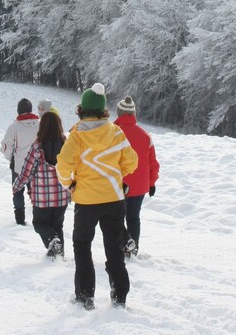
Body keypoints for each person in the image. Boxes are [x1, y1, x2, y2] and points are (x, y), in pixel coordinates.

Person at [56, 83, 138, 310]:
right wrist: (116, 175)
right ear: (103, 109)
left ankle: (85, 295)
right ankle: (119, 296)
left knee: (82, 246)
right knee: (114, 248)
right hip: (113, 198)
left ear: (82, 108)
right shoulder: (116, 132)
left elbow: (63, 164)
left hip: (86, 200)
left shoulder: (77, 134)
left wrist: (69, 184)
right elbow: (132, 162)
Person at [12, 112, 71, 259]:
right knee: (58, 226)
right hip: (62, 196)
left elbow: (27, 171)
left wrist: (16, 186)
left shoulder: (37, 148)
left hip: (42, 199)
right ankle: (59, 256)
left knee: (39, 224)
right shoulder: (66, 146)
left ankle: (52, 241)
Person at [114, 96, 160, 258]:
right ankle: (133, 248)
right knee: (134, 218)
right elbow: (153, 163)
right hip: (140, 186)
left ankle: (124, 244)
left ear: (118, 113)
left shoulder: (113, 133)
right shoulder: (145, 136)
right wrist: (152, 183)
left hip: (117, 185)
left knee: (115, 218)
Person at [1, 98, 40, 225]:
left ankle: (20, 218)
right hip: (36, 164)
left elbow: (7, 146)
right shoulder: (40, 124)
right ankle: (38, 216)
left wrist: (10, 158)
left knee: (17, 190)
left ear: (18, 110)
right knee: (35, 191)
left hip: (19, 165)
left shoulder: (14, 126)